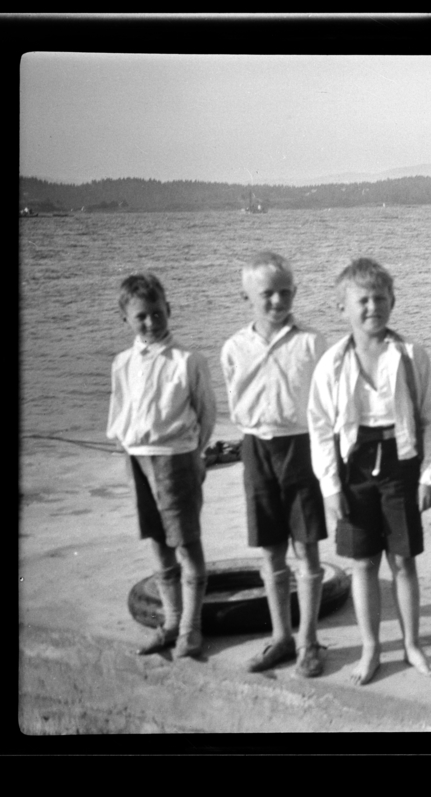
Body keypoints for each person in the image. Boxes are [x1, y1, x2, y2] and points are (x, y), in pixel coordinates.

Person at [308, 258, 431, 686]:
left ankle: (412, 643)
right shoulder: (331, 362)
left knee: (403, 560)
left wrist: (428, 475)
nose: (372, 307)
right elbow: (319, 427)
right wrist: (330, 486)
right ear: (341, 308)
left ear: (393, 302)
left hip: (400, 462)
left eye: (380, 298)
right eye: (361, 300)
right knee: (363, 564)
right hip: (354, 466)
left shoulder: (410, 355)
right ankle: (370, 648)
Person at [221, 252, 328, 677]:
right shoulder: (234, 347)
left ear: (295, 293)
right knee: (271, 549)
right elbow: (235, 399)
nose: (277, 301)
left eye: (285, 292)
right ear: (247, 295)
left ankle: (310, 640)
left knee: (308, 548)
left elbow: (324, 405)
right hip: (257, 450)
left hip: (301, 448)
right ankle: (281, 636)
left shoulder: (312, 342)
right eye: (267, 293)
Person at [108, 272, 217, 660]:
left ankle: (191, 626)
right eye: (141, 317)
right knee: (158, 542)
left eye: (157, 313)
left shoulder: (188, 360)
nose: (151, 323)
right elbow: (119, 410)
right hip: (137, 459)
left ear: (168, 310)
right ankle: (170, 622)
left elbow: (206, 414)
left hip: (177, 460)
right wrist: (129, 446)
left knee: (186, 543)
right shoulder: (122, 363)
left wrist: (194, 454)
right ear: (126, 320)